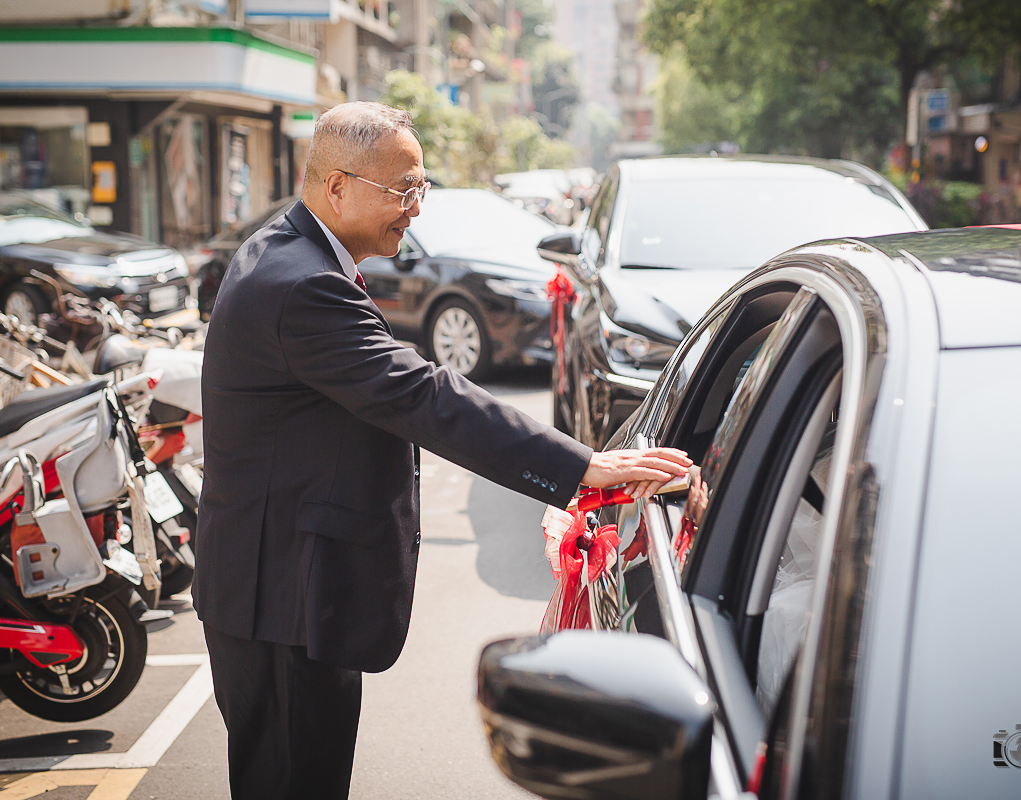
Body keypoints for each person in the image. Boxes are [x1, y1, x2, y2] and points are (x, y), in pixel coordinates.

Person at [192, 101, 691, 800]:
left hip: (280, 586)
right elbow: (421, 395)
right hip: (279, 600)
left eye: (419, 189)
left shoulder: (291, 253)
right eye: (402, 191)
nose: (414, 209)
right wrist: (583, 467)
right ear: (336, 187)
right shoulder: (301, 284)